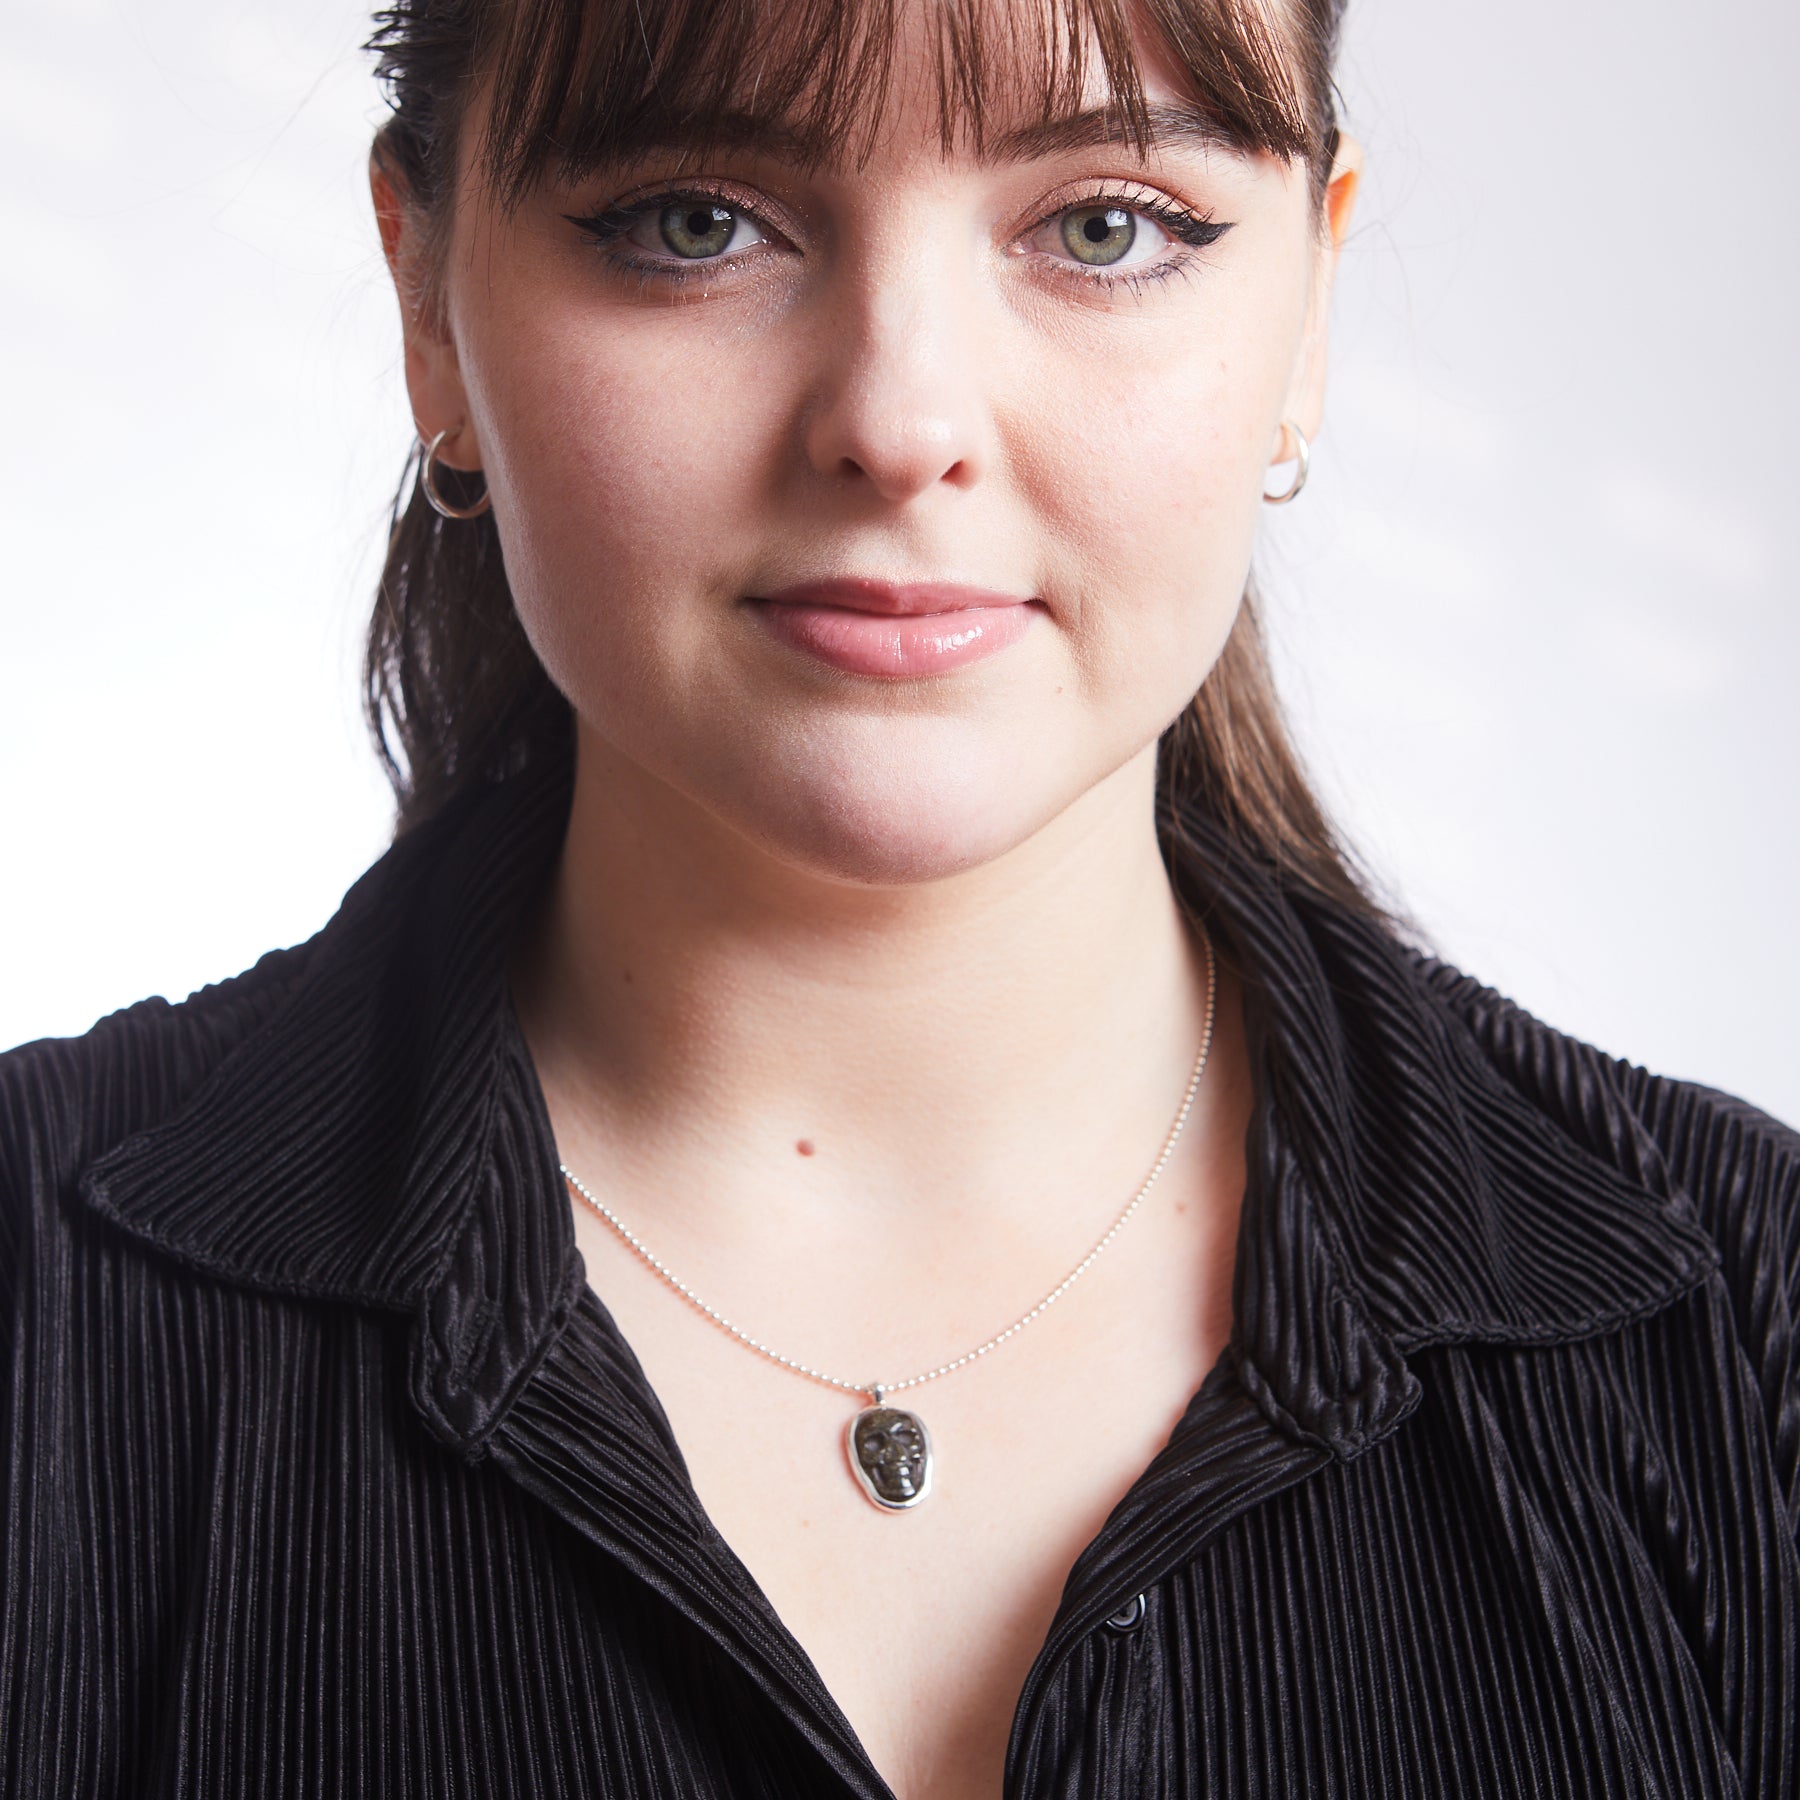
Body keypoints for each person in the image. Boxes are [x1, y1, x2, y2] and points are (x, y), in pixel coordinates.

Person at [2, 0, 1795, 1794]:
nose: (901, 419)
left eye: (1106, 226)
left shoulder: (1741, 1316)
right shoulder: (43, 1317)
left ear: (1307, 312)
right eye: (695, 219)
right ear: (428, 308)